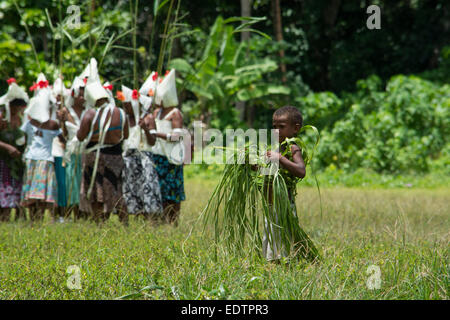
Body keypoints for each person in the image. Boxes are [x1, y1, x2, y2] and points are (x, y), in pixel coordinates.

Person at [77, 76, 129, 224]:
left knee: (96, 190)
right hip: (116, 157)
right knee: (117, 189)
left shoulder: (90, 114)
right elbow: (125, 135)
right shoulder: (120, 113)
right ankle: (124, 223)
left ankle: (99, 223)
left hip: (95, 158)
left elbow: (80, 137)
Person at [262, 106, 307, 262]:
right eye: (274, 127)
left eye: (281, 127)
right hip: (270, 203)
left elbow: (301, 170)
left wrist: (280, 158)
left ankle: (287, 262)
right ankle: (271, 263)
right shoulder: (275, 148)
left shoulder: (293, 148)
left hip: (285, 204)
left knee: (284, 236)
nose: (276, 131)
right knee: (270, 235)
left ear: (295, 129)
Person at [21, 73, 65, 222]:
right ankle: (37, 219)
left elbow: (24, 140)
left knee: (33, 191)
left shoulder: (30, 123)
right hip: (44, 159)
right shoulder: (53, 124)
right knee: (41, 192)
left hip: (33, 158)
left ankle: (35, 220)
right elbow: (62, 138)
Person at [119, 84, 163, 222]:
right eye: (124, 105)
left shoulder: (148, 118)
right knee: (131, 189)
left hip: (145, 158)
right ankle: (137, 218)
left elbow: (152, 142)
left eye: (128, 105)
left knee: (147, 187)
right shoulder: (125, 118)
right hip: (129, 159)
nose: (126, 108)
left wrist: (145, 129)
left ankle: (151, 220)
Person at [149, 69, 186, 226]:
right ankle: (161, 221)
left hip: (171, 158)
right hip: (158, 156)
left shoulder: (175, 113)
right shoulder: (157, 112)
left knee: (172, 192)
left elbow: (177, 136)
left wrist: (158, 134)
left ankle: (173, 222)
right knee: (159, 191)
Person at [57, 76, 87, 220]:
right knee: (71, 182)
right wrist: (61, 121)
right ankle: (71, 213)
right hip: (72, 151)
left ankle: (84, 213)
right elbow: (62, 133)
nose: (82, 98)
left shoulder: (89, 111)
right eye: (79, 94)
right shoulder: (65, 112)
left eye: (84, 95)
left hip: (86, 151)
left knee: (84, 182)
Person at [0, 79, 29, 221]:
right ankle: (4, 218)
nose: (17, 109)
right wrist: (7, 147)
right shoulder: (2, 118)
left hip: (17, 162)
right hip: (3, 160)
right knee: (4, 187)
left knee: (18, 187)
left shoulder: (21, 118)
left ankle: (20, 216)